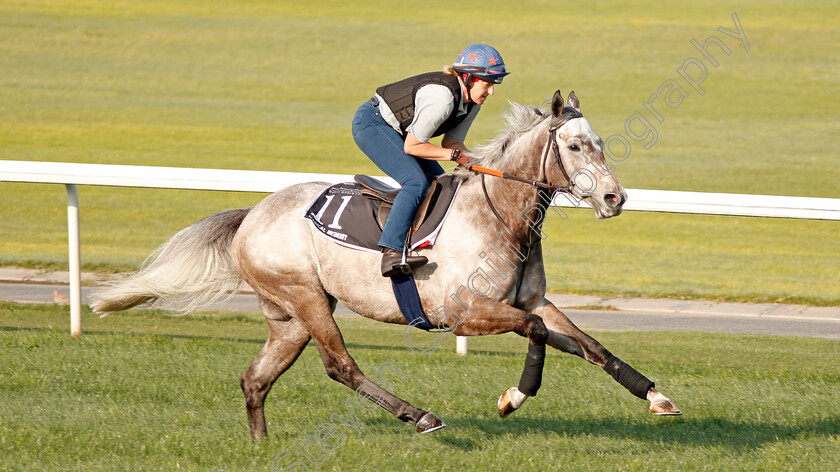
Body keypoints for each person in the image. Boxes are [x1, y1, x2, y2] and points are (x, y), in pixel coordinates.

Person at [352, 43, 510, 277]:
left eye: (495, 84)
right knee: (416, 183)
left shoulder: (472, 103)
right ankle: (392, 251)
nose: (492, 91)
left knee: (440, 183)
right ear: (468, 78)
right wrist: (455, 157)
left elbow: (452, 144)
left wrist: (482, 165)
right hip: (372, 124)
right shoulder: (442, 98)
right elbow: (414, 146)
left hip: (401, 131)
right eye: (487, 83)